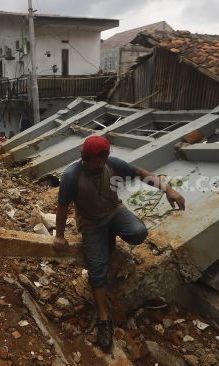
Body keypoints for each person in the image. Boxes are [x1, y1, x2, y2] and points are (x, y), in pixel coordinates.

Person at [53, 135, 185, 352]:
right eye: (96, 161)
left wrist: (168, 189)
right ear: (84, 158)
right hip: (91, 224)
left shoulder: (111, 165)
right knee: (97, 270)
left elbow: (141, 173)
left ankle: (111, 236)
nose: (100, 165)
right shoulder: (71, 175)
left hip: (114, 212)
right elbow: (62, 206)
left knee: (138, 232)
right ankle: (104, 319)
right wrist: (59, 235)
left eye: (103, 160)